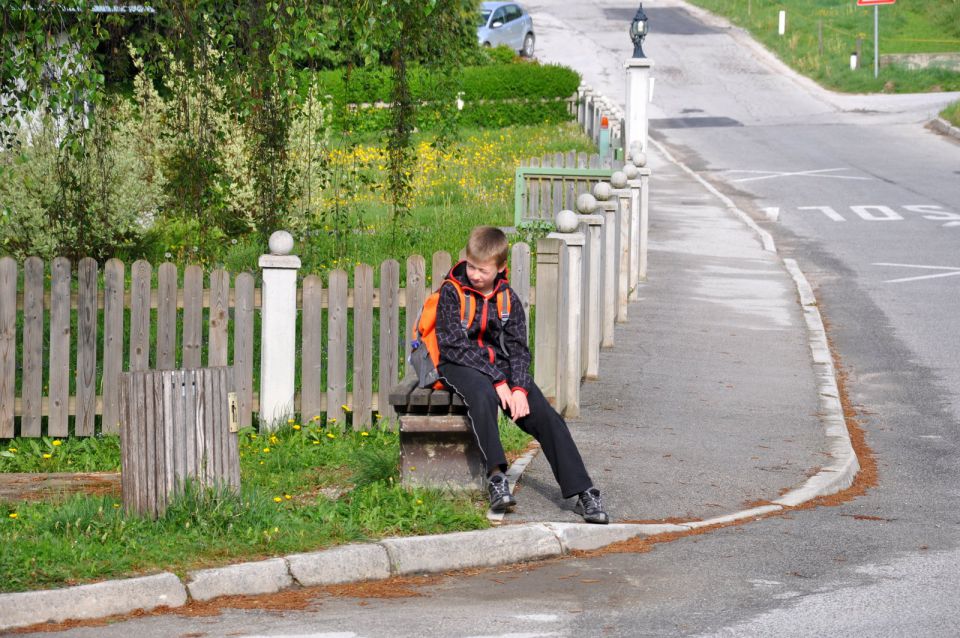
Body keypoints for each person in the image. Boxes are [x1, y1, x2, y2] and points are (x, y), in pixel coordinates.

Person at [435, 226, 609, 524]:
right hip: (459, 364)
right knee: (482, 393)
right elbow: (452, 345)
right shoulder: (451, 292)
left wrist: (517, 387)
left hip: (501, 368)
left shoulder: (508, 299)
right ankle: (496, 478)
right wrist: (497, 380)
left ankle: (584, 491)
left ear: (501, 268)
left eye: (482, 270)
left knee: (546, 416)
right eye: (472, 266)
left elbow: (518, 350)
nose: (475, 274)